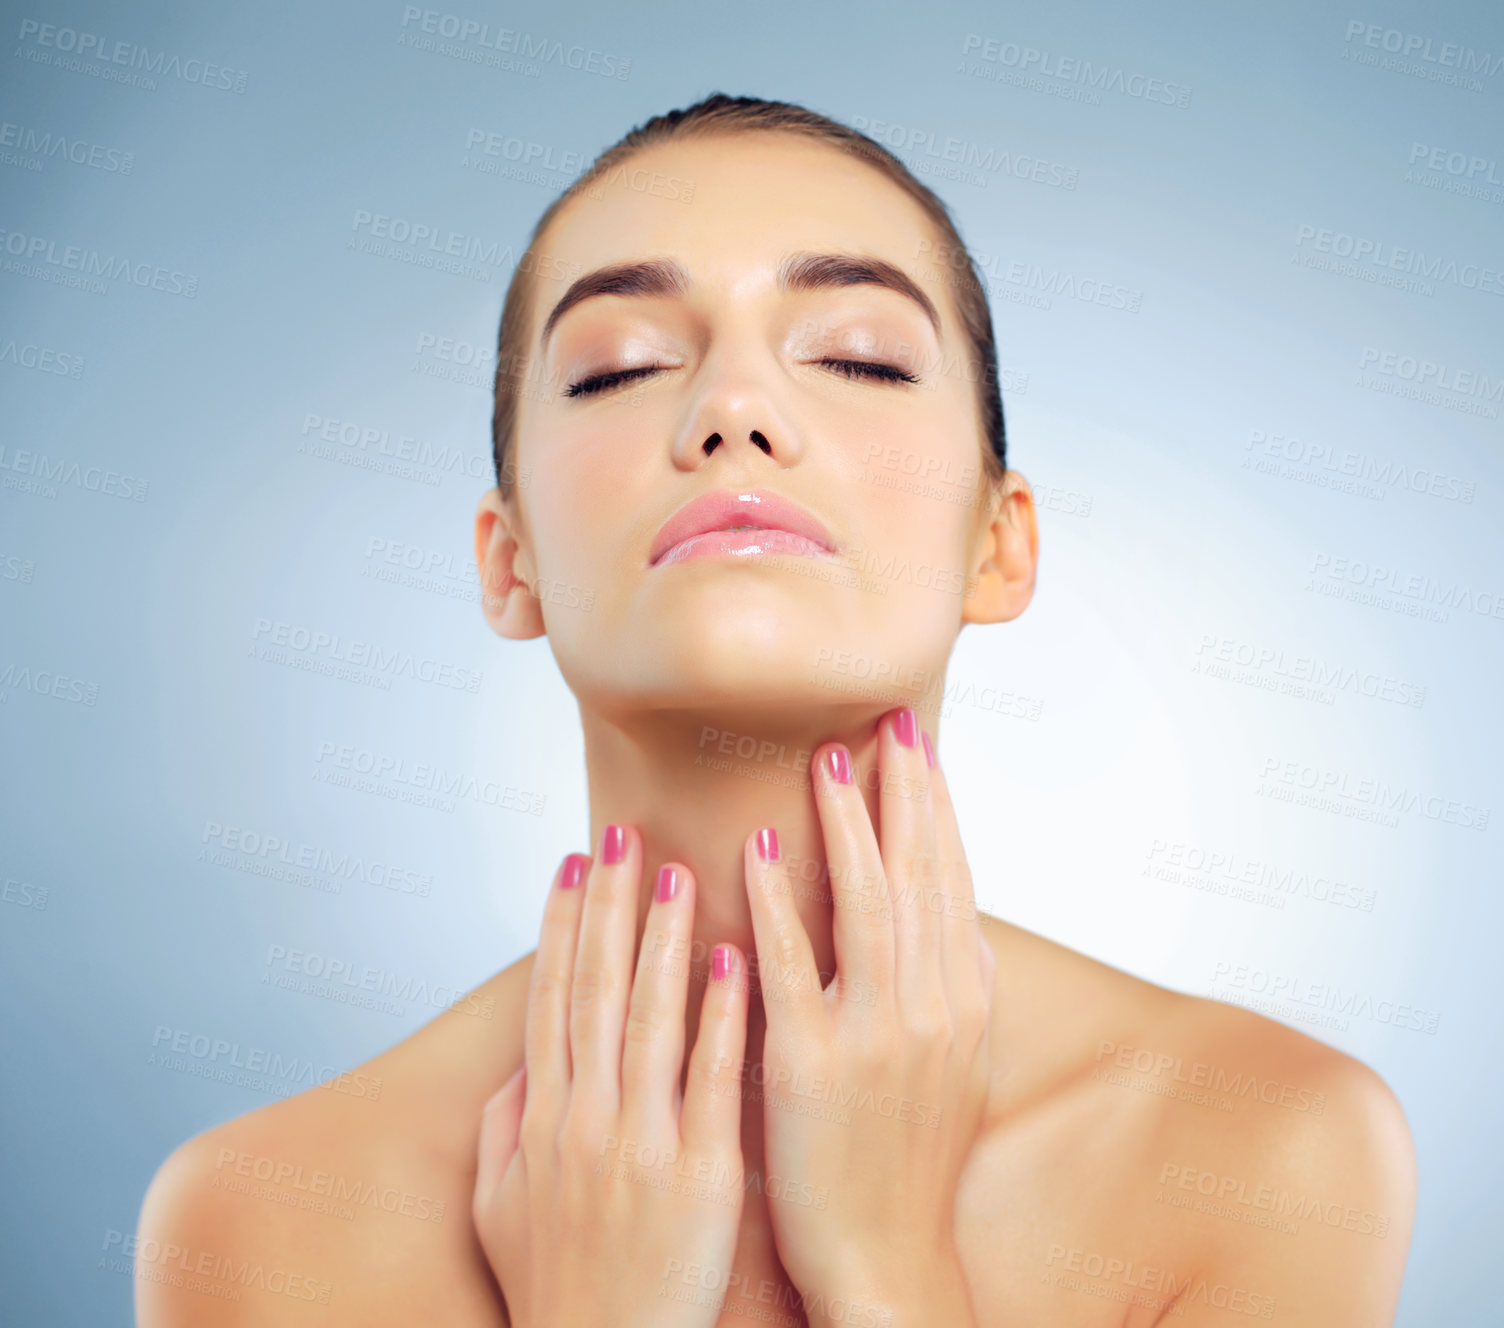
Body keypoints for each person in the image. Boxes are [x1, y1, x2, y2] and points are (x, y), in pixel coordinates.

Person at [136, 93, 1415, 1327]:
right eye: (615, 368)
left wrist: (884, 1268)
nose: (732, 411)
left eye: (857, 354)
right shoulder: (261, 1224)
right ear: (506, 559)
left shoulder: (1266, 1148)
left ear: (999, 543)